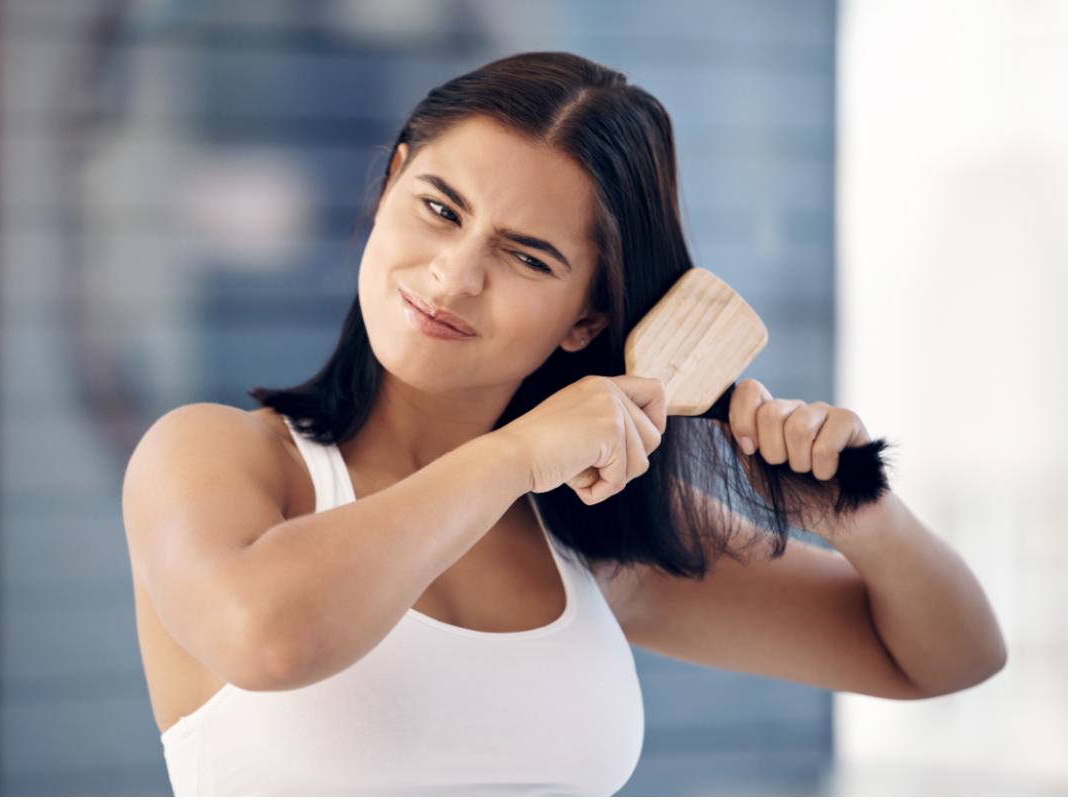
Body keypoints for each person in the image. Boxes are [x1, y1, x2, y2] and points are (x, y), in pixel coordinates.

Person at [125, 50, 1007, 797]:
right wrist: (514, 454)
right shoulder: (216, 457)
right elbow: (272, 638)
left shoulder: (592, 538)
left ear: (587, 319)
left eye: (527, 256)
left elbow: (949, 661)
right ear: (393, 179)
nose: (453, 276)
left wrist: (865, 521)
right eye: (440, 209)